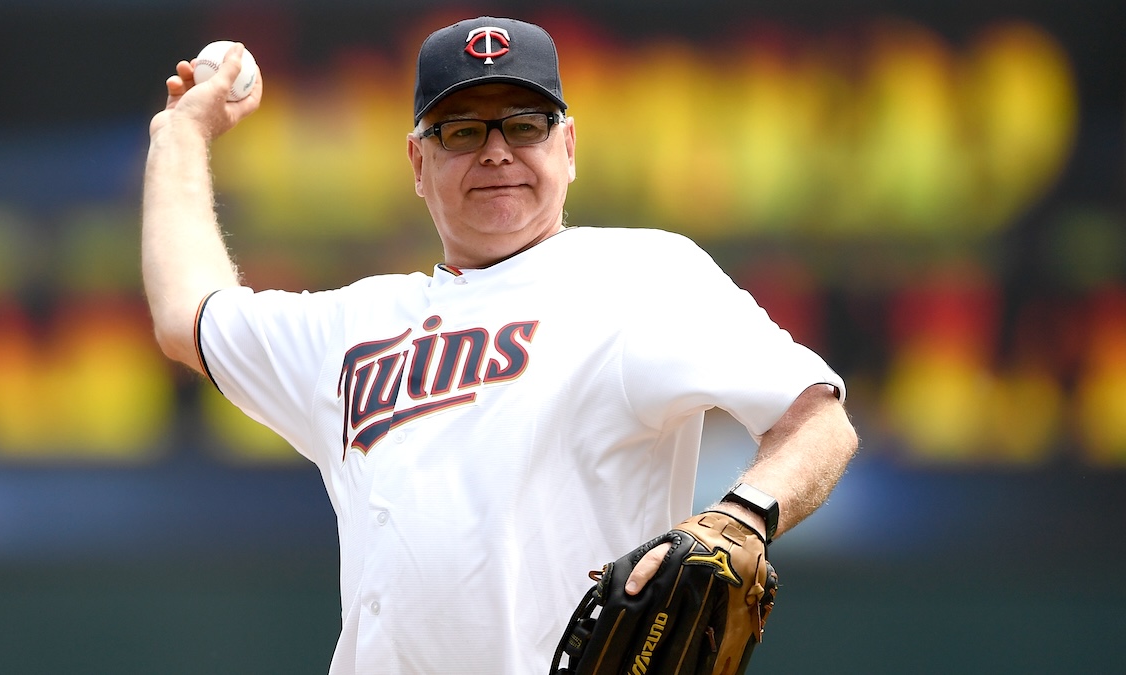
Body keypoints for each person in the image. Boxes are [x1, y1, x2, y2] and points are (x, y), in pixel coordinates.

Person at [142, 16, 859, 675]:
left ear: (567, 147)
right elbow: (188, 315)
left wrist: (745, 514)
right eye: (462, 131)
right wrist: (179, 136)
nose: (496, 152)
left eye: (525, 125)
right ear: (418, 164)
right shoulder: (352, 327)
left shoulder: (640, 276)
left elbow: (819, 421)